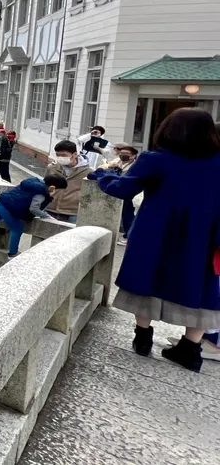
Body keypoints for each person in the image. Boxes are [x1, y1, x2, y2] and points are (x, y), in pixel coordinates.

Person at [88, 108, 220, 372]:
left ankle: (143, 337)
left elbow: (124, 189)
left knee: (147, 279)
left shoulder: (156, 159)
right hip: (204, 235)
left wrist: (104, 176)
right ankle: (190, 350)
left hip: (157, 231)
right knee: (201, 287)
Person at [0, 174, 68, 258]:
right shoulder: (41, 193)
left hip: (0, 202)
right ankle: (12, 253)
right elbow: (34, 209)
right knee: (16, 229)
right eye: (57, 191)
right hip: (9, 209)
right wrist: (45, 216)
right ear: (52, 187)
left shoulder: (32, 182)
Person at [45, 140, 91, 224]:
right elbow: (46, 185)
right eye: (57, 155)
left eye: (64, 155)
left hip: (72, 212)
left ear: (74, 155)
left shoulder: (88, 172)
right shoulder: (52, 168)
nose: (60, 158)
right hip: (50, 208)